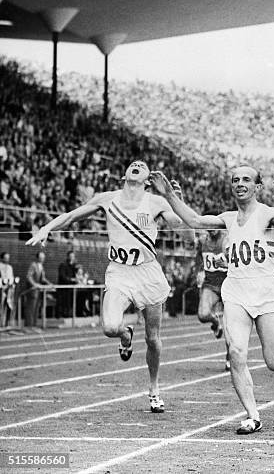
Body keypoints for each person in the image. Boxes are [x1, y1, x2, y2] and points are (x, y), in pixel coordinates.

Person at [149, 166, 274, 434]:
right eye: (235, 180)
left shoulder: (269, 213)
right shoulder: (227, 218)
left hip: (266, 291)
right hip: (235, 290)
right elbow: (195, 221)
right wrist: (168, 195)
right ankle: (252, 415)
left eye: (246, 179)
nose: (240, 183)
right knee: (236, 351)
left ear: (258, 187)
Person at [27, 160, 185, 413]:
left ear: (147, 179)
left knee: (153, 339)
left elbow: (183, 231)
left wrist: (174, 198)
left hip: (148, 273)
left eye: (142, 165)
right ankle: (125, 335)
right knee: (110, 327)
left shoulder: (156, 202)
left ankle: (154, 388)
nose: (136, 164)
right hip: (119, 272)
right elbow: (71, 217)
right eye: (133, 164)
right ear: (124, 175)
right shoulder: (107, 198)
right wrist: (46, 227)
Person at [196, 229, 231, 371]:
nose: (212, 229)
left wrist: (227, 263)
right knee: (203, 315)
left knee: (231, 328)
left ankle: (230, 357)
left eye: (215, 225)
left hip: (229, 285)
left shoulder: (227, 239)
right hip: (210, 284)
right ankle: (215, 322)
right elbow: (199, 258)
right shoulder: (203, 241)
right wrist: (199, 271)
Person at [23, 251, 52, 328]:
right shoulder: (33, 265)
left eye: (43, 258)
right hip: (32, 290)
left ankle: (34, 324)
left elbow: (42, 278)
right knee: (31, 307)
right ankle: (29, 325)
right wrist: (34, 284)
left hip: (38, 290)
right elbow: (29, 276)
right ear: (37, 258)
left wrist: (49, 284)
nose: (42, 259)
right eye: (41, 258)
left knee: (36, 307)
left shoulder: (41, 266)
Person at [57, 250, 78, 318]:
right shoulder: (63, 265)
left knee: (69, 303)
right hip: (63, 289)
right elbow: (62, 276)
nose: (72, 258)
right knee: (63, 303)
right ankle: (61, 316)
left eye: (73, 257)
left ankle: (68, 315)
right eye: (71, 256)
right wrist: (71, 279)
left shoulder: (74, 266)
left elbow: (76, 275)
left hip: (70, 289)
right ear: (68, 257)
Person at [0, 252, 17, 327]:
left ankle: (7, 324)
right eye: (6, 258)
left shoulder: (10, 267)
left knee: (8, 306)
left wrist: (11, 283)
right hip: (1, 289)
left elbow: (11, 277)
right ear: (2, 258)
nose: (7, 259)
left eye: (8, 258)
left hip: (9, 290)